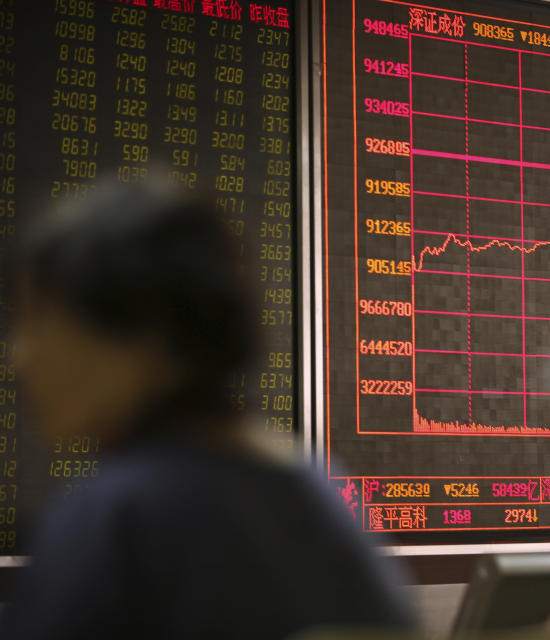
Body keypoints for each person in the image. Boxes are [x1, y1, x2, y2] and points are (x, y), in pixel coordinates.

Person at [0, 182, 412, 639]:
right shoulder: (323, 493)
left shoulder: (119, 516)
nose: (21, 355)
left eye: (41, 316)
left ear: (145, 332)